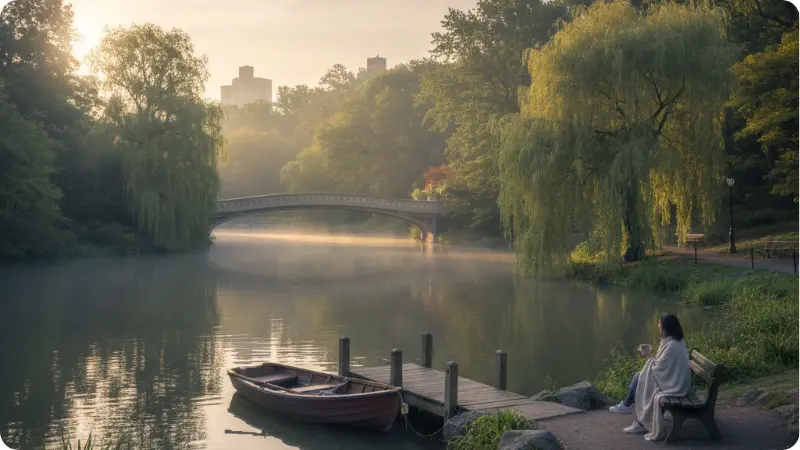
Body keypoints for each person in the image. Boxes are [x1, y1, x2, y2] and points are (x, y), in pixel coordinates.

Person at [608, 314, 692, 441]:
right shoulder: (673, 342)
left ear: (666, 328)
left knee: (641, 378)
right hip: (674, 381)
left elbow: (659, 367)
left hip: (675, 386)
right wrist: (650, 355)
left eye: (659, 324)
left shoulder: (672, 345)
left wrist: (648, 356)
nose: (658, 326)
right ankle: (629, 407)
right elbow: (662, 365)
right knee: (640, 376)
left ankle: (639, 418)